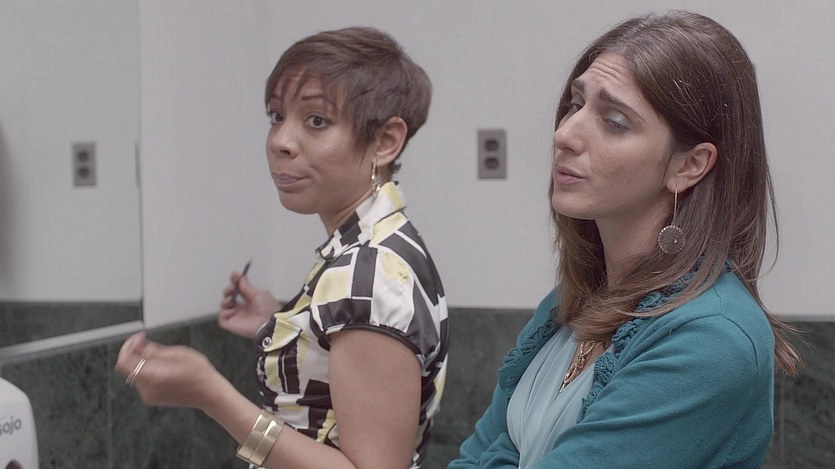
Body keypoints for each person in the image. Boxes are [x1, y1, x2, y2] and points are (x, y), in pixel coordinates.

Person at [449, 11, 800, 469]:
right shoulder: (572, 301)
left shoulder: (712, 338)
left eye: (614, 121)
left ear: (689, 165)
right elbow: (481, 455)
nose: (564, 134)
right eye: (575, 104)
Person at [116, 27, 448, 469]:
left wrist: (211, 396)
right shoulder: (375, 245)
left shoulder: (370, 271)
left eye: (316, 121)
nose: (280, 141)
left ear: (384, 141)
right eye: (277, 116)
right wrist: (283, 322)